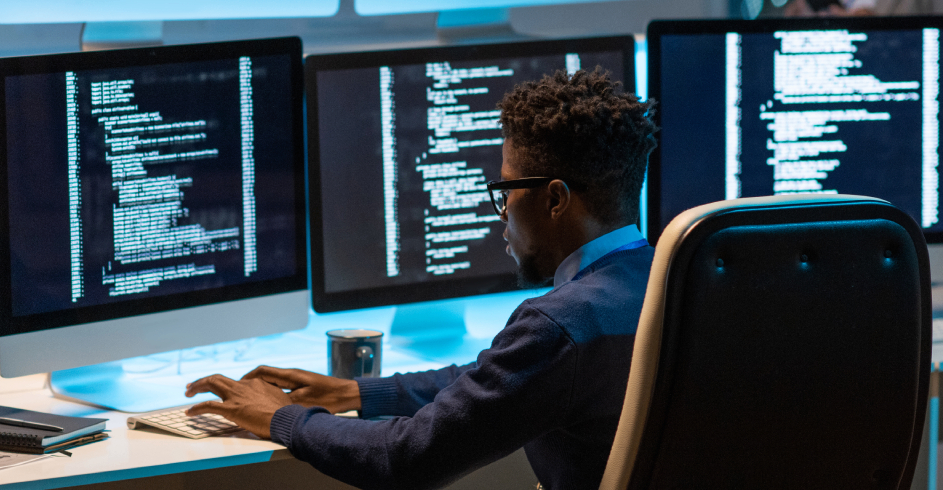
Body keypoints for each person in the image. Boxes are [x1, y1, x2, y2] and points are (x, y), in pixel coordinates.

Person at [185, 68, 658, 489]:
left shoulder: (559, 326)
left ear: (555, 199)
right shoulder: (670, 283)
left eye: (505, 191)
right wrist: (359, 393)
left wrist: (282, 418)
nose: (502, 215)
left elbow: (404, 457)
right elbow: (497, 380)